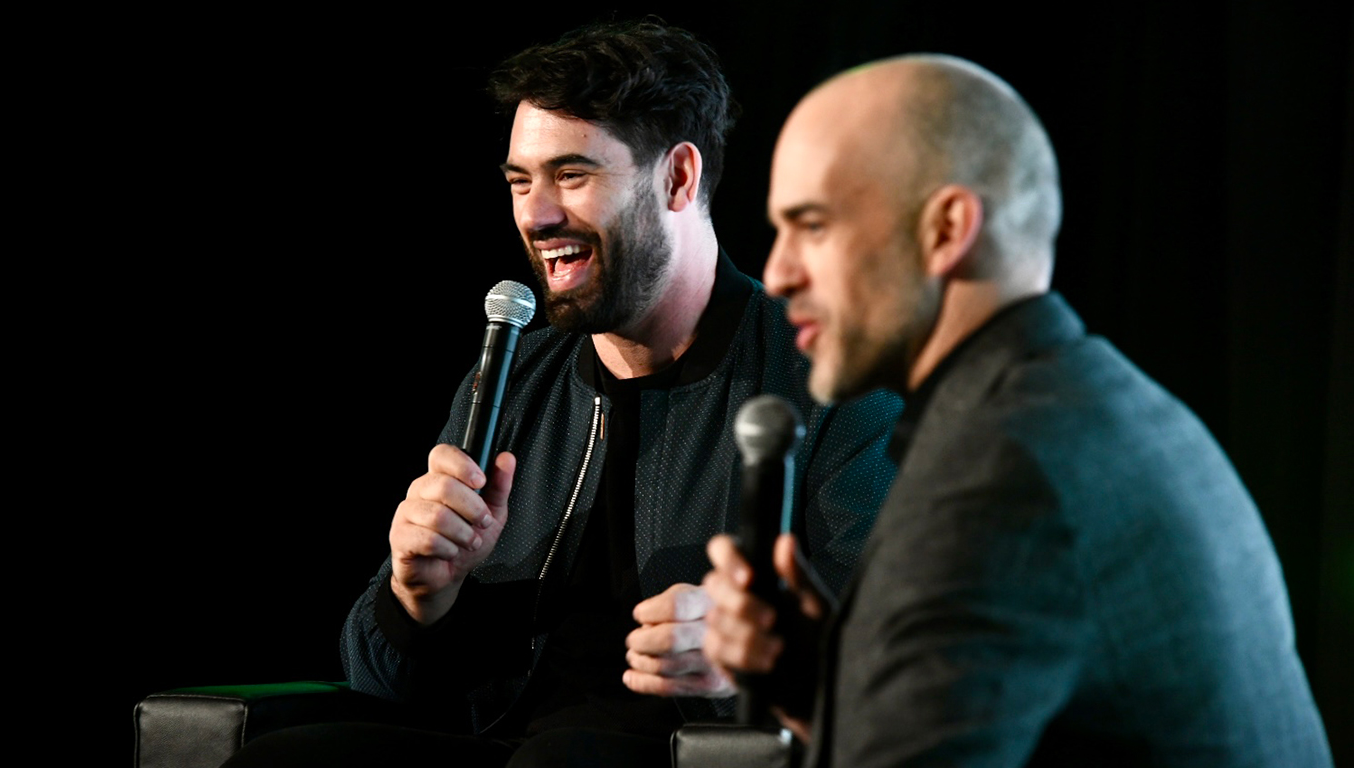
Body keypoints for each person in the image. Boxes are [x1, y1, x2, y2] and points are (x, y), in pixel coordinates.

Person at [224, 20, 901, 768]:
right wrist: (419, 596)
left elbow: (895, 656)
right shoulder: (514, 378)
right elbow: (380, 678)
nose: (536, 215)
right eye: (521, 181)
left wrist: (750, 659)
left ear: (678, 177)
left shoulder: (828, 378)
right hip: (510, 746)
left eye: (572, 176)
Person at [701, 55, 1333, 767]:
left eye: (811, 226)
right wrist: (827, 687)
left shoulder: (995, 476)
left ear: (945, 230)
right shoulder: (1101, 404)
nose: (779, 273)